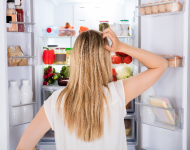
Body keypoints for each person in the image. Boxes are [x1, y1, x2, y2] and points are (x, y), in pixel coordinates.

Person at [16, 29, 168, 150]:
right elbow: (161, 65)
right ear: (105, 59)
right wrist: (122, 47)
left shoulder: (55, 102)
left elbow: (23, 147)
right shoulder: (118, 93)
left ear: (75, 59)